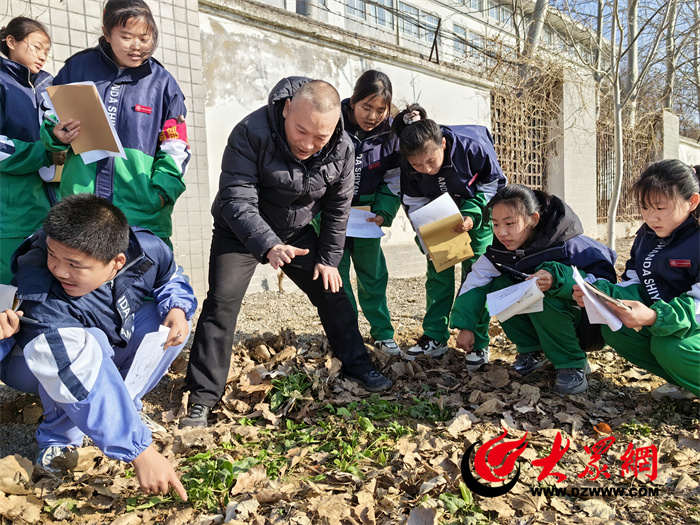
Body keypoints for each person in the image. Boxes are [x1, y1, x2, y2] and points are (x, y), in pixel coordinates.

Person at [181, 77, 392, 428]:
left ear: (336, 124)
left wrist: (327, 259)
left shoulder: (342, 147)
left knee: (333, 290)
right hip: (241, 229)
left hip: (295, 229)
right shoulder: (250, 131)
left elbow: (339, 209)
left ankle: (358, 366)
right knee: (222, 302)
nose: (308, 144)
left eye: (319, 137)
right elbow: (237, 198)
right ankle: (202, 396)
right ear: (287, 108)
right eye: (300, 131)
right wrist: (267, 244)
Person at [0, 193, 196, 499]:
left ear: (118, 261)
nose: (59, 270)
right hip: (33, 361)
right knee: (85, 344)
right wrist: (139, 451)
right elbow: (68, 365)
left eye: (75, 264)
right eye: (53, 254)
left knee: (165, 324)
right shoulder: (41, 283)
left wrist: (177, 310)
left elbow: (170, 278)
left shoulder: (145, 249)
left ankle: (120, 408)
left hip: (101, 338)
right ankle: (59, 438)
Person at [40, 0, 190, 248]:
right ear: (106, 33)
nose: (137, 46)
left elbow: (176, 145)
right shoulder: (77, 67)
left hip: (140, 214)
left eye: (145, 37)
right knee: (79, 281)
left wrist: (161, 194)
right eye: (126, 37)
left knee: (138, 284)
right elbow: (50, 118)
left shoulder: (163, 83)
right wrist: (56, 135)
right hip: (81, 207)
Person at [450, 184, 617, 394]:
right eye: (495, 224)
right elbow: (475, 282)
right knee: (499, 284)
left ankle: (573, 364)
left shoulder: (571, 244)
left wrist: (559, 280)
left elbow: (606, 285)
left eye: (510, 223)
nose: (502, 232)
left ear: (534, 219)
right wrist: (467, 327)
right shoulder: (499, 253)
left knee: (544, 289)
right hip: (550, 325)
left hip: (590, 326)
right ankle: (533, 352)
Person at [557, 160, 699, 397]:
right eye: (645, 207)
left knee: (671, 347)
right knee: (616, 328)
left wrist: (655, 317)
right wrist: (602, 295)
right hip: (675, 321)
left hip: (688, 322)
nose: (651, 217)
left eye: (661, 208)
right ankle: (685, 382)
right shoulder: (647, 234)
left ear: (692, 202)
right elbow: (636, 279)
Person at [393, 104, 506, 364]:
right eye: (417, 164)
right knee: (438, 274)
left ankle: (478, 339)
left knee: (478, 276)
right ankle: (434, 336)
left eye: (431, 161)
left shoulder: (472, 146)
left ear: (443, 143)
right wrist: (426, 240)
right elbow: (413, 203)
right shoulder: (409, 165)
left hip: (477, 215)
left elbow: (492, 183)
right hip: (439, 218)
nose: (426, 169)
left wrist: (472, 214)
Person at [338, 70, 401, 355]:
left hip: (366, 218)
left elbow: (393, 180)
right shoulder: (332, 125)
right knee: (335, 279)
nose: (373, 116)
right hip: (331, 216)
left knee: (373, 276)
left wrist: (384, 212)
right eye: (366, 107)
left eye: (380, 109)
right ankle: (346, 334)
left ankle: (383, 333)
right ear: (353, 101)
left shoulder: (391, 135)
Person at [0, 17, 58, 284]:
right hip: (9, 216)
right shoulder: (3, 82)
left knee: (33, 301)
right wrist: (43, 153)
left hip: (45, 210)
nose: (42, 56)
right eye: (36, 47)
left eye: (46, 52)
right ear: (11, 41)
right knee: (6, 299)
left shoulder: (46, 88)